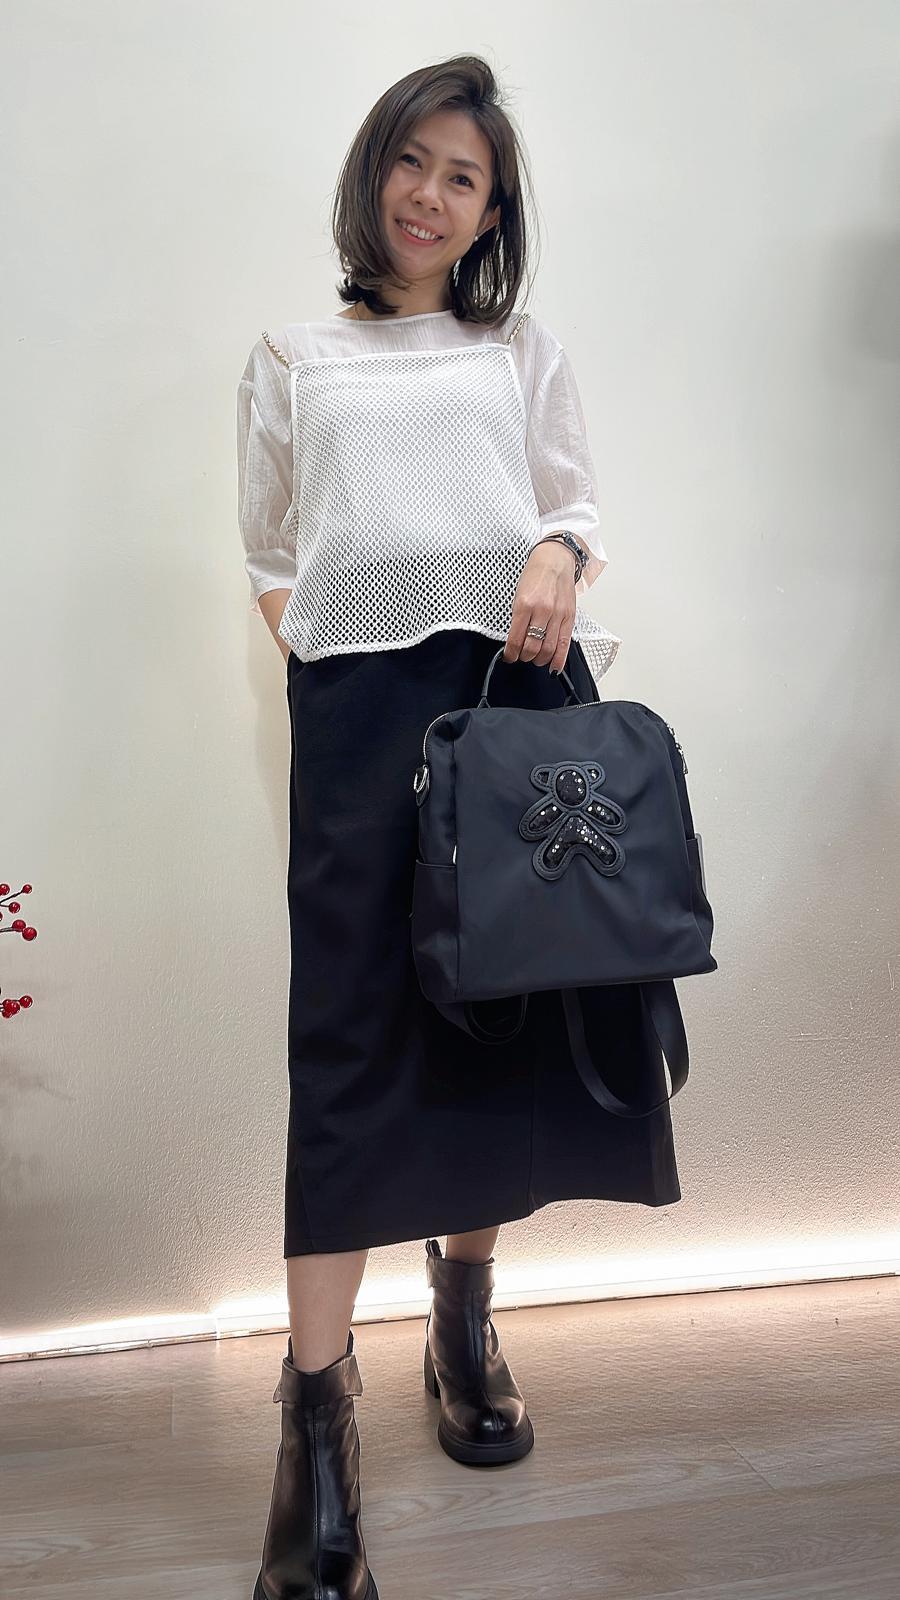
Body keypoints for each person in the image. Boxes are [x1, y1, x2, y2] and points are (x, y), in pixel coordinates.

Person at [236, 53, 681, 1600]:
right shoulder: (292, 357)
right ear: (372, 173)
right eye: (411, 161)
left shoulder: (519, 350)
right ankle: (316, 1430)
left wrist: (557, 550)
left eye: (464, 177)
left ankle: (463, 1317)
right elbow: (270, 554)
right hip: (360, 725)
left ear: (492, 213)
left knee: (496, 1019)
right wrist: (332, 666)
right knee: (346, 1050)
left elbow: (576, 507)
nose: (430, 194)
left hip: (515, 700)